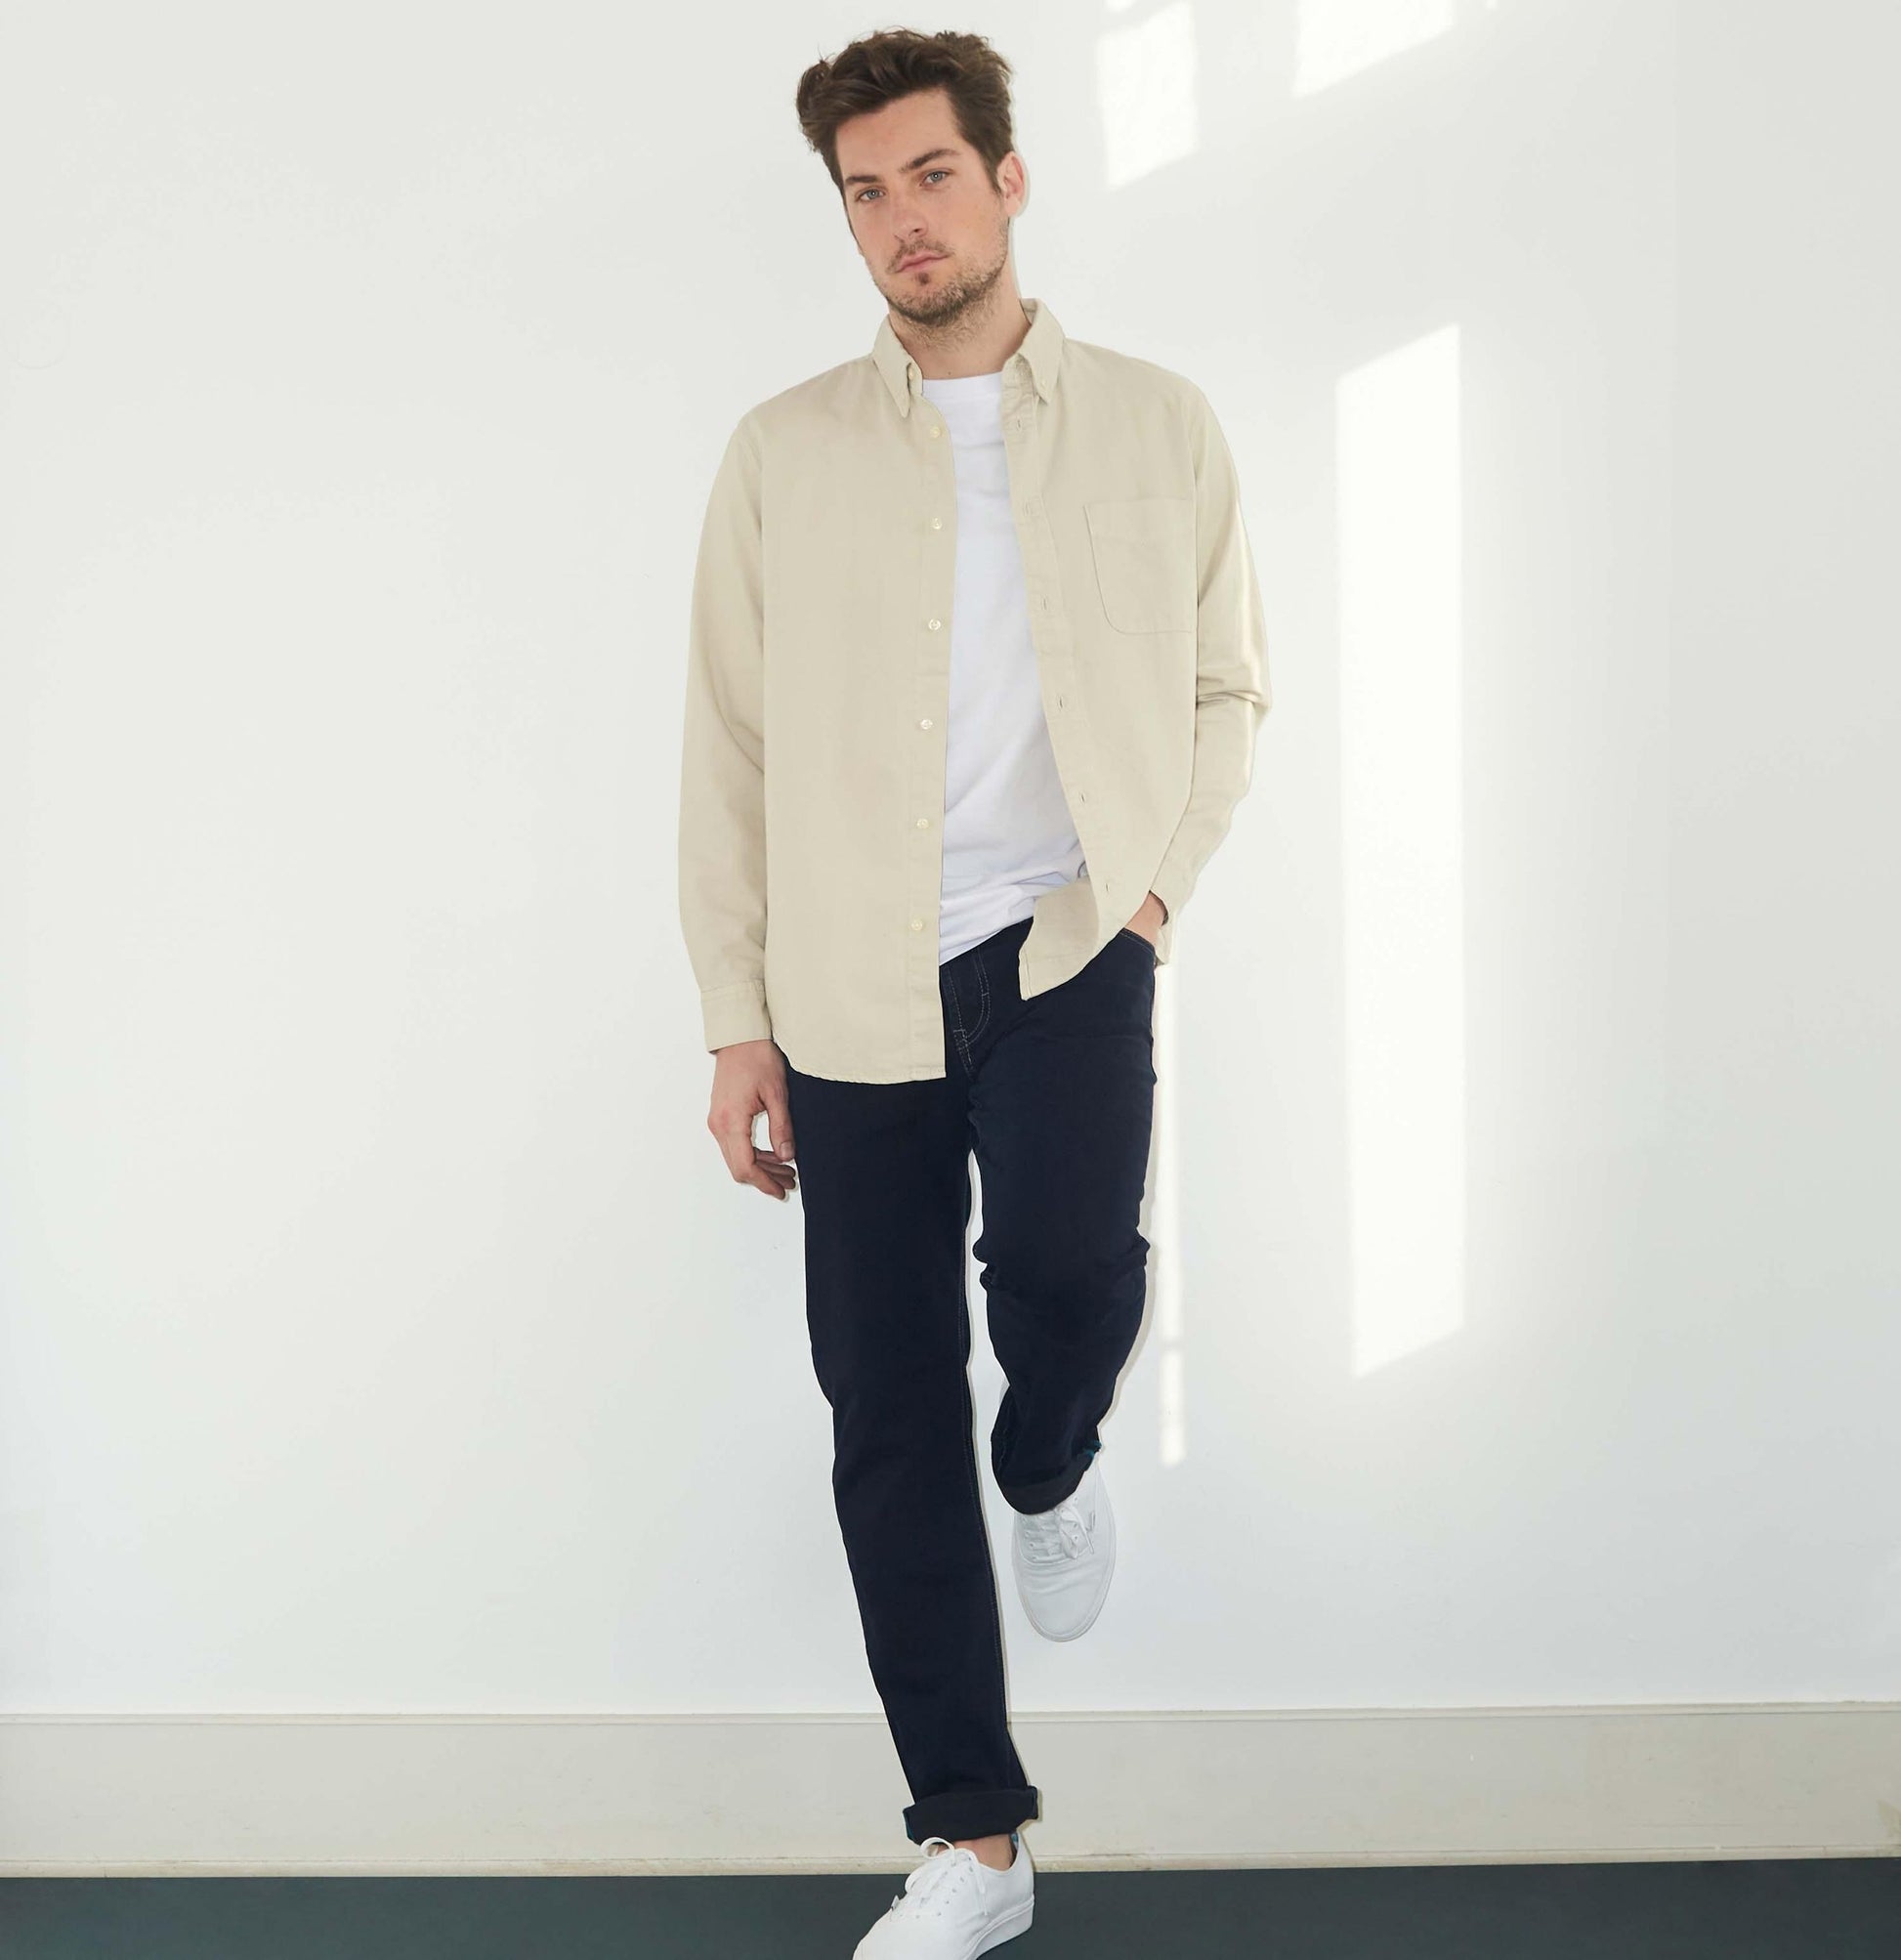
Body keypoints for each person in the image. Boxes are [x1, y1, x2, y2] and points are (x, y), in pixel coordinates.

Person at [676, 26, 1269, 1957]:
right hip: (845, 978)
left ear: (1007, 180)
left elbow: (1224, 683)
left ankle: (1055, 1455)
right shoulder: (781, 454)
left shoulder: (1161, 425)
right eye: (865, 191)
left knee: (1073, 1277)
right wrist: (735, 1012)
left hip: (1070, 936)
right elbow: (728, 749)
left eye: (931, 175)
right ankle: (974, 1843)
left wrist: (1152, 890)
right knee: (882, 1396)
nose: (900, 220)